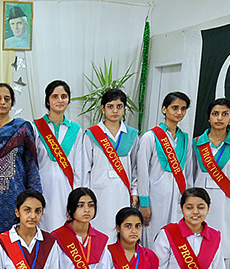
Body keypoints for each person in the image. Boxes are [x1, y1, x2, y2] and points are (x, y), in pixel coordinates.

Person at [0, 83, 41, 238]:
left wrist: (35, 198)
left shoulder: (22, 129)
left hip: (15, 198)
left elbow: (31, 165)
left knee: (14, 244)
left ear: (12, 103)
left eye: (7, 99)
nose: (2, 102)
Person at [79, 88, 140, 241]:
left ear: (124, 109)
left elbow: (135, 168)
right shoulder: (92, 134)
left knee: (121, 229)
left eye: (119, 106)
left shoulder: (132, 135)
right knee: (99, 231)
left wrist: (135, 191)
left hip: (122, 192)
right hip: (98, 192)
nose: (115, 111)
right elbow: (85, 167)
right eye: (110, 106)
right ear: (103, 108)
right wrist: (85, 195)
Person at [136, 92, 195, 248]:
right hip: (155, 199)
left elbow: (187, 173)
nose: (179, 112)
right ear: (164, 109)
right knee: (153, 241)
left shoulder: (186, 139)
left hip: (178, 198)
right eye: (174, 108)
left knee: (176, 241)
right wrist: (144, 203)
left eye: (183, 109)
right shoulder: (150, 137)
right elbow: (142, 173)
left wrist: (188, 202)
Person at [192, 98, 230, 258]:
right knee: (197, 246)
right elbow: (191, 175)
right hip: (199, 204)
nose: (219, 118)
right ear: (209, 117)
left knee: (221, 248)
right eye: (215, 114)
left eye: (225, 114)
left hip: (226, 204)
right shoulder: (197, 143)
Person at [33, 80, 84, 231]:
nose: (59, 100)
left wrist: (78, 197)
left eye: (64, 96)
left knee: (65, 231)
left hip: (66, 189)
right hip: (42, 187)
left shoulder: (76, 129)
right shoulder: (36, 127)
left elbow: (79, 165)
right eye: (55, 96)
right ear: (48, 100)